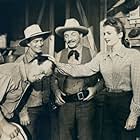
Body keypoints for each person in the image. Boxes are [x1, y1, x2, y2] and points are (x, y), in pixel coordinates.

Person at [52, 17, 140, 140]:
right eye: (104, 33)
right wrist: (56, 63)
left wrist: (134, 114)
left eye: (109, 33)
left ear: (120, 34)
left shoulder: (133, 56)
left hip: (126, 103)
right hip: (108, 103)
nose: (105, 37)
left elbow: (138, 89)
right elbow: (82, 70)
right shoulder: (101, 56)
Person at [51, 18, 104, 140]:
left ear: (81, 35)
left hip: (86, 104)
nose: (69, 38)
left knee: (86, 137)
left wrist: (95, 89)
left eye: (73, 34)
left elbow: (103, 79)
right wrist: (56, 92)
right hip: (65, 105)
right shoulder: (58, 55)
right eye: (66, 35)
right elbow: (53, 79)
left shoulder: (92, 54)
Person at [0, 56, 53, 140]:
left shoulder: (26, 78)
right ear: (35, 62)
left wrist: (22, 112)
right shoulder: (9, 73)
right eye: (42, 72)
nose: (40, 78)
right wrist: (4, 125)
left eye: (44, 76)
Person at [16, 24, 52, 140]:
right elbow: (16, 90)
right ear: (28, 43)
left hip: (46, 108)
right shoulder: (20, 62)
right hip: (29, 110)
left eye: (41, 40)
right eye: (36, 41)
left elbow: (52, 80)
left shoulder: (46, 60)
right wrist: (22, 112)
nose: (40, 44)